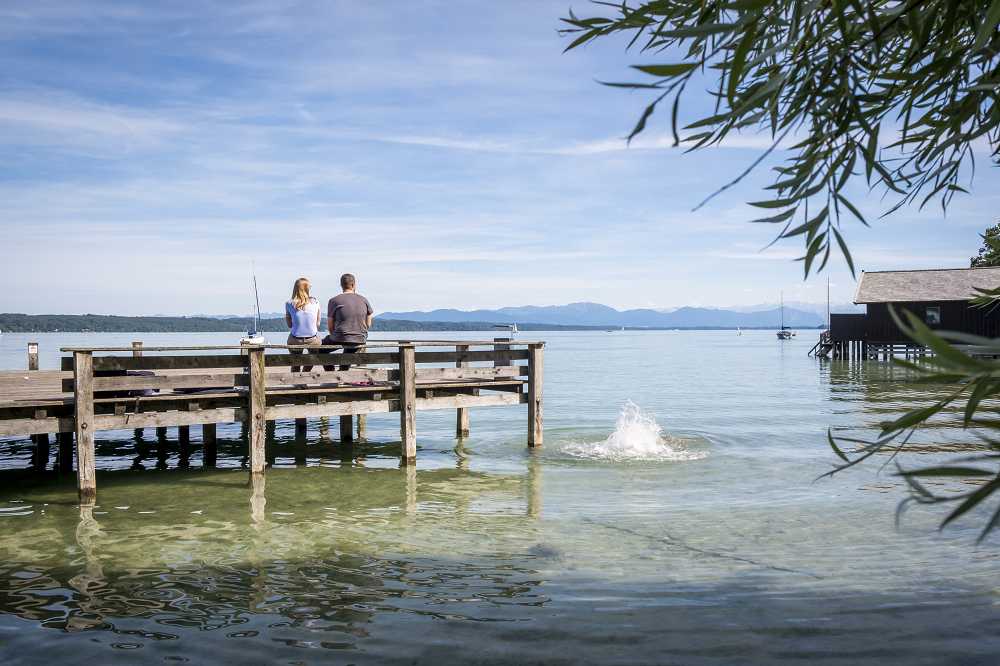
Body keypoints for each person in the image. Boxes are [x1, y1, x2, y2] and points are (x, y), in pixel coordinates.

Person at [322, 273, 373, 371]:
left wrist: (335, 335)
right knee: (350, 350)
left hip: (340, 336)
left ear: (341, 285)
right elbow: (368, 323)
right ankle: (342, 373)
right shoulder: (364, 300)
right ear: (354, 285)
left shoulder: (334, 300)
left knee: (319, 350)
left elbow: (330, 326)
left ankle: (331, 373)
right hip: (360, 338)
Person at [285, 277, 322, 372]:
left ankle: (297, 382)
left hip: (295, 339)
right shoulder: (316, 302)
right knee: (313, 358)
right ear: (307, 289)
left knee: (295, 362)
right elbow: (317, 325)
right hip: (313, 339)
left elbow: (289, 325)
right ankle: (305, 373)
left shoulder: (289, 303)